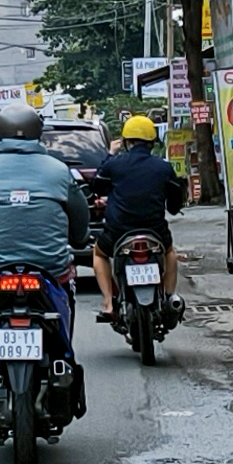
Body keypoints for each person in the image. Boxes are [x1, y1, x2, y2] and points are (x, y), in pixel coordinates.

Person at [0, 103, 90, 346]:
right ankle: (64, 353)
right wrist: (78, 240)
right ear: (38, 133)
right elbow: (80, 222)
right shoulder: (60, 171)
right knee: (67, 292)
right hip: (51, 267)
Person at [91, 115, 187, 322]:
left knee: (99, 254)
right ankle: (170, 298)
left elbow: (97, 188)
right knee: (169, 252)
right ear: (152, 142)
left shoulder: (114, 165)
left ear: (126, 141)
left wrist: (109, 154)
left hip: (118, 232)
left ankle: (108, 303)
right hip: (155, 230)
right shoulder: (163, 167)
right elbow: (174, 202)